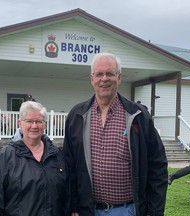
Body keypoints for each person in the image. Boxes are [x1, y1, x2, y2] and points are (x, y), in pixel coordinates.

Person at [63, 52, 168, 216]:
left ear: (119, 78)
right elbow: (69, 166)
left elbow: (157, 166)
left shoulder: (138, 116)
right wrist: (74, 206)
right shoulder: (76, 116)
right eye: (99, 74)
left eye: (110, 73)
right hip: (88, 211)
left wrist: (154, 212)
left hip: (128, 210)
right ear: (92, 79)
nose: (104, 79)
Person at [0, 101, 70, 216]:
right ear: (20, 123)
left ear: (45, 124)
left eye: (39, 121)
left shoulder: (57, 155)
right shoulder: (5, 157)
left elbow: (67, 196)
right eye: (29, 121)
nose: (34, 126)